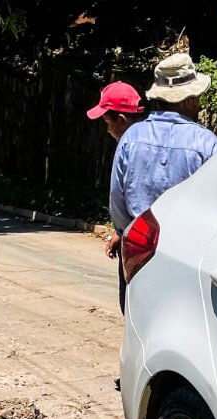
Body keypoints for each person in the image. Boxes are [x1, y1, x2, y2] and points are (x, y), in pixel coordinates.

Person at [107, 52, 217, 313]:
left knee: (137, 324)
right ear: (190, 99)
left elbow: (117, 200)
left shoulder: (131, 137)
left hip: (138, 252)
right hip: (187, 254)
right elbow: (216, 206)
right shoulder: (206, 144)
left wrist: (128, 234)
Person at [87, 81, 145, 315]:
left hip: (139, 240)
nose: (107, 129)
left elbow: (120, 198)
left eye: (107, 122)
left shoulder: (129, 145)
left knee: (132, 308)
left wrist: (120, 233)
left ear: (121, 120)